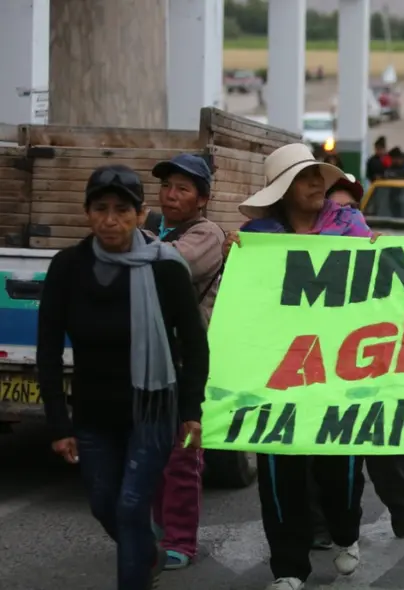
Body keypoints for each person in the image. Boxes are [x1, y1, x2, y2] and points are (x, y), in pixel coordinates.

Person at [37, 165, 209, 590]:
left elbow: (194, 343)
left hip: (152, 410)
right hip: (94, 410)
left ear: (140, 214)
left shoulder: (165, 268)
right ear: (87, 212)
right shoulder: (68, 267)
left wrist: (191, 411)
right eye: (100, 209)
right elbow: (48, 350)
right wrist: (59, 423)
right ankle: (145, 553)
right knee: (103, 505)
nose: (110, 220)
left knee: (132, 505)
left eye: (121, 210)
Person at [223, 144, 378, 590]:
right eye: (305, 177)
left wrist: (378, 254)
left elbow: (373, 290)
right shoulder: (258, 236)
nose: (316, 184)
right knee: (279, 474)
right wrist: (240, 257)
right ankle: (288, 568)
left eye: (318, 176)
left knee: (340, 469)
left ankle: (346, 532)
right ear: (282, 190)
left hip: (339, 370)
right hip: (279, 373)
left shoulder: (350, 226)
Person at [145, 154, 226, 571]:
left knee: (182, 456)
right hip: (148, 358)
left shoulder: (206, 233)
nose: (171, 195)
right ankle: (160, 526)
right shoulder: (155, 232)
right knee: (149, 449)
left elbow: (175, 264)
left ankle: (180, 538)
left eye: (183, 188)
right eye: (166, 186)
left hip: (185, 360)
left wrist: (133, 242)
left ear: (202, 199)